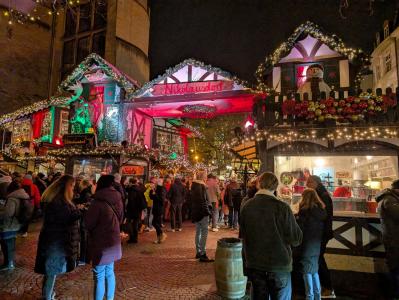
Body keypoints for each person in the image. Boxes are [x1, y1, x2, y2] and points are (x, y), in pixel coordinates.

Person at [240, 172, 302, 299]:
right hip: (278, 264)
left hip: (255, 264)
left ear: (259, 185)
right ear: (275, 186)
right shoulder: (282, 207)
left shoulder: (247, 206)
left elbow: (243, 236)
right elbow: (296, 238)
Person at [34, 175, 81, 300]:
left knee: (51, 271)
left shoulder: (56, 199)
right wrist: (78, 213)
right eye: (72, 186)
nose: (73, 189)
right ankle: (47, 297)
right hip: (56, 241)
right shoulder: (58, 201)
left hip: (54, 240)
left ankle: (47, 294)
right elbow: (64, 218)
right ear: (66, 186)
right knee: (52, 271)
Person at [84, 175, 124, 300]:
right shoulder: (117, 198)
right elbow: (121, 218)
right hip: (114, 239)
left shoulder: (97, 201)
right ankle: (110, 298)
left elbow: (88, 223)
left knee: (99, 275)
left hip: (100, 241)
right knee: (109, 272)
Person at [306, 175, 335, 299]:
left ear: (315, 183)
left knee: (318, 259)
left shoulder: (321, 195)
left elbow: (323, 215)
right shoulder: (321, 193)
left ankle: (328, 288)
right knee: (318, 258)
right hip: (321, 232)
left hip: (321, 233)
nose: (307, 185)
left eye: (309, 182)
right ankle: (324, 287)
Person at [296, 188, 327, 300]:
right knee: (314, 270)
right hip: (316, 243)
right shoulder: (320, 211)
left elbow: (300, 229)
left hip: (306, 244)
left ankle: (310, 296)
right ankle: (317, 296)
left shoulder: (305, 212)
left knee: (306, 271)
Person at [376, 179, 399, 299]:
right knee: (395, 266)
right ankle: (395, 293)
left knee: (394, 265)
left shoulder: (388, 198)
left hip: (392, 237)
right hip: (393, 238)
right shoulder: (390, 200)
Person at [0, 178, 30, 271]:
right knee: (11, 244)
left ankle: (8, 263)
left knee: (6, 244)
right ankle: (10, 262)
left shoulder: (12, 198)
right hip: (16, 224)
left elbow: (8, 214)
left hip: (8, 226)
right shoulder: (23, 196)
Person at [191, 170, 213, 262]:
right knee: (204, 232)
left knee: (198, 232)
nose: (206, 177)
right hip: (202, 213)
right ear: (203, 177)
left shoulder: (194, 185)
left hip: (196, 213)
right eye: (205, 176)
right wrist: (207, 212)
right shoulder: (201, 186)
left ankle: (198, 252)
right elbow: (202, 201)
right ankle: (202, 253)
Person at [125, 177, 147, 243]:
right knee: (135, 224)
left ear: (131, 183)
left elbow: (131, 201)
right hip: (138, 210)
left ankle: (132, 238)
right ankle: (135, 238)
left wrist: (127, 208)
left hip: (132, 210)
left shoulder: (132, 190)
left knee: (129, 223)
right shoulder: (140, 189)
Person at [150, 178, 167, 244]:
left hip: (159, 209)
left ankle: (162, 234)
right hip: (156, 208)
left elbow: (161, 200)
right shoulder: (157, 189)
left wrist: (154, 193)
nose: (155, 183)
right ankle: (159, 238)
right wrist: (152, 190)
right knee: (156, 223)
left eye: (156, 182)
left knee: (154, 223)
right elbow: (151, 197)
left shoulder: (162, 189)